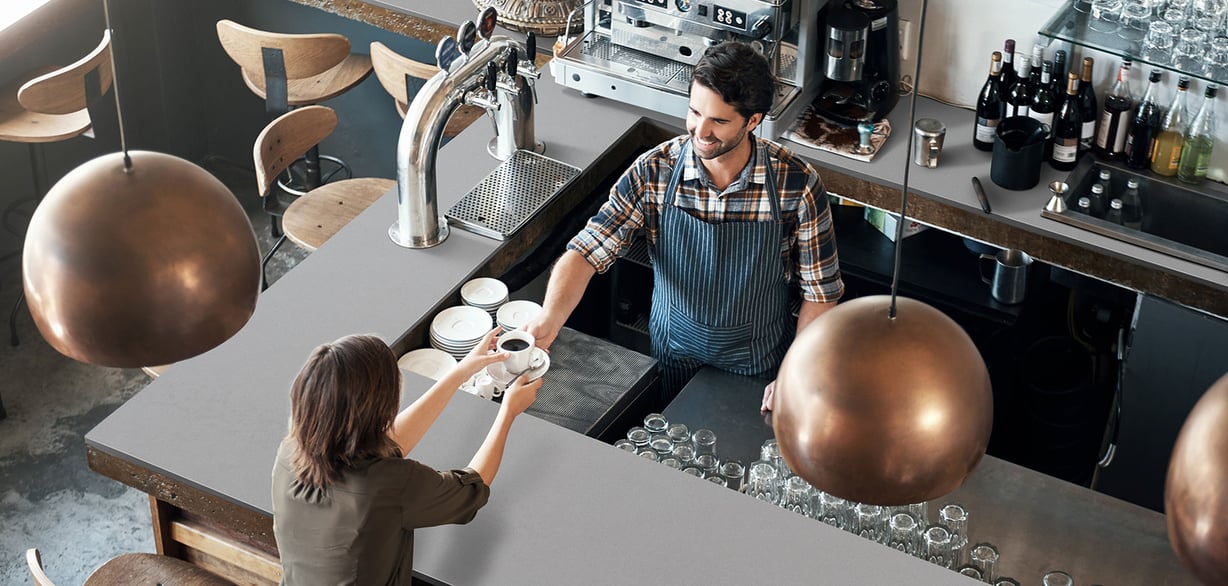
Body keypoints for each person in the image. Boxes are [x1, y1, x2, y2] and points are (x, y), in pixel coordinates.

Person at [525, 41, 843, 410]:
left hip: (758, 358)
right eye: (694, 112)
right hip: (672, 349)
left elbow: (821, 294)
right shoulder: (654, 170)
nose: (700, 131)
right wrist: (550, 317)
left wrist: (794, 373)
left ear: (753, 120)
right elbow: (589, 249)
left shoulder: (796, 184)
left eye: (719, 121)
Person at [271, 329, 541, 585]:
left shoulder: (291, 450)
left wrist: (461, 372)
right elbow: (473, 488)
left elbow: (386, 445)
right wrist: (508, 412)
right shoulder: (388, 485)